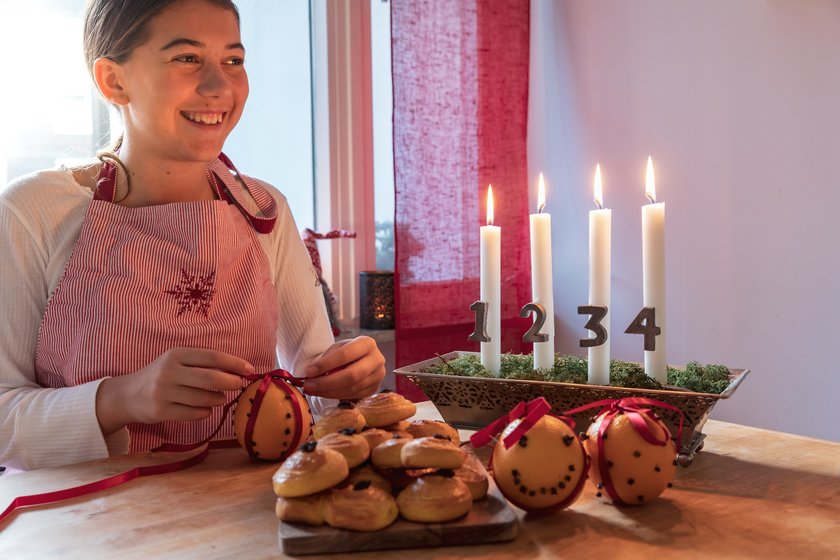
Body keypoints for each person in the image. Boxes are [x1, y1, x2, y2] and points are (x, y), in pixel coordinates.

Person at [0, 0, 385, 471]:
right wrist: (120, 398)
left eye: (233, 60)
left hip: (246, 515)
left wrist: (347, 375)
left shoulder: (264, 209)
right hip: (88, 526)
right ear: (113, 81)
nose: (220, 85)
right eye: (186, 58)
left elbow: (317, 384)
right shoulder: (31, 211)